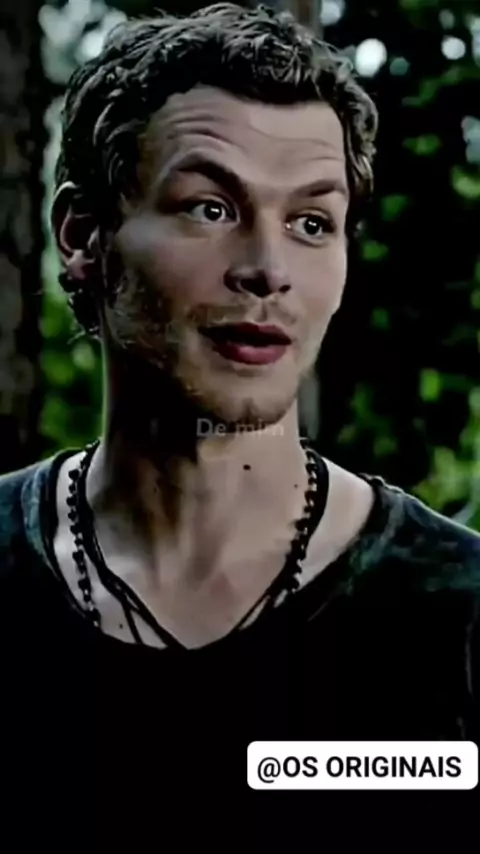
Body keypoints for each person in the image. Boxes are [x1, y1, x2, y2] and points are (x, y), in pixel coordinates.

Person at [0, 3, 478, 847]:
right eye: (210, 208)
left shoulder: (458, 612)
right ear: (83, 235)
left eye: (311, 223)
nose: (267, 269)